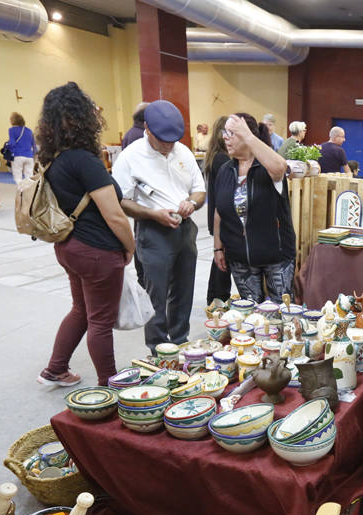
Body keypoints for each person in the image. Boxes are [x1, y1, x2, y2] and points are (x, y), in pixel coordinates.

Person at [37, 82, 136, 388]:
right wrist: (129, 247)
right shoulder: (84, 160)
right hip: (96, 251)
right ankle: (110, 386)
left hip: (68, 246)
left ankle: (55, 369)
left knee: (82, 310)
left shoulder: (53, 158)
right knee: (101, 321)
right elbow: (115, 214)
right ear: (81, 118)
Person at [112, 100, 206, 352]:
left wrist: (191, 203)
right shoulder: (130, 157)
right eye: (163, 140)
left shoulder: (183, 152)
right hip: (153, 232)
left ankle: (179, 339)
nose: (168, 146)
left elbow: (200, 190)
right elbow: (121, 201)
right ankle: (158, 347)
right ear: (147, 129)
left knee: (184, 288)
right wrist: (153, 215)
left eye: (172, 141)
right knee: (156, 293)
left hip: (185, 229)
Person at [211, 112, 294, 302]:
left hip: (276, 256)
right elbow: (219, 212)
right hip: (239, 258)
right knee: (250, 313)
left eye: (231, 133)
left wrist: (249, 137)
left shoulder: (267, 167)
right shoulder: (225, 171)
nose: (225, 137)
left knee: (281, 312)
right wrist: (218, 249)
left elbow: (280, 167)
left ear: (248, 135)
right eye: (225, 132)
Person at [204, 114, 233, 303]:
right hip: (220, 217)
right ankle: (218, 299)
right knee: (222, 261)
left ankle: (215, 298)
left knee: (220, 260)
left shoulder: (214, 156)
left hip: (214, 214)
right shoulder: (222, 160)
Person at [7, 112, 36, 186]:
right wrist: (34, 155)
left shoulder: (12, 130)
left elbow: (12, 143)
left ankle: (21, 192)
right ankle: (30, 193)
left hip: (18, 155)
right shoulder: (29, 131)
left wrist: (8, 147)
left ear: (13, 121)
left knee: (18, 177)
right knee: (29, 177)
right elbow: (34, 145)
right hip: (29, 157)